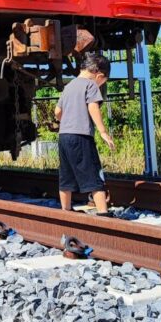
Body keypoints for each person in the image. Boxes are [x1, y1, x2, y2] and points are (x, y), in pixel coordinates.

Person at [55, 52, 115, 214]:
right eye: (103, 82)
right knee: (94, 174)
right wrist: (103, 132)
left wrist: (67, 120)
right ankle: (103, 212)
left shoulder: (69, 86)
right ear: (99, 75)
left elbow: (57, 112)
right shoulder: (91, 85)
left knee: (66, 175)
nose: (101, 85)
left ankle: (66, 210)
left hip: (64, 136)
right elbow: (92, 106)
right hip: (81, 136)